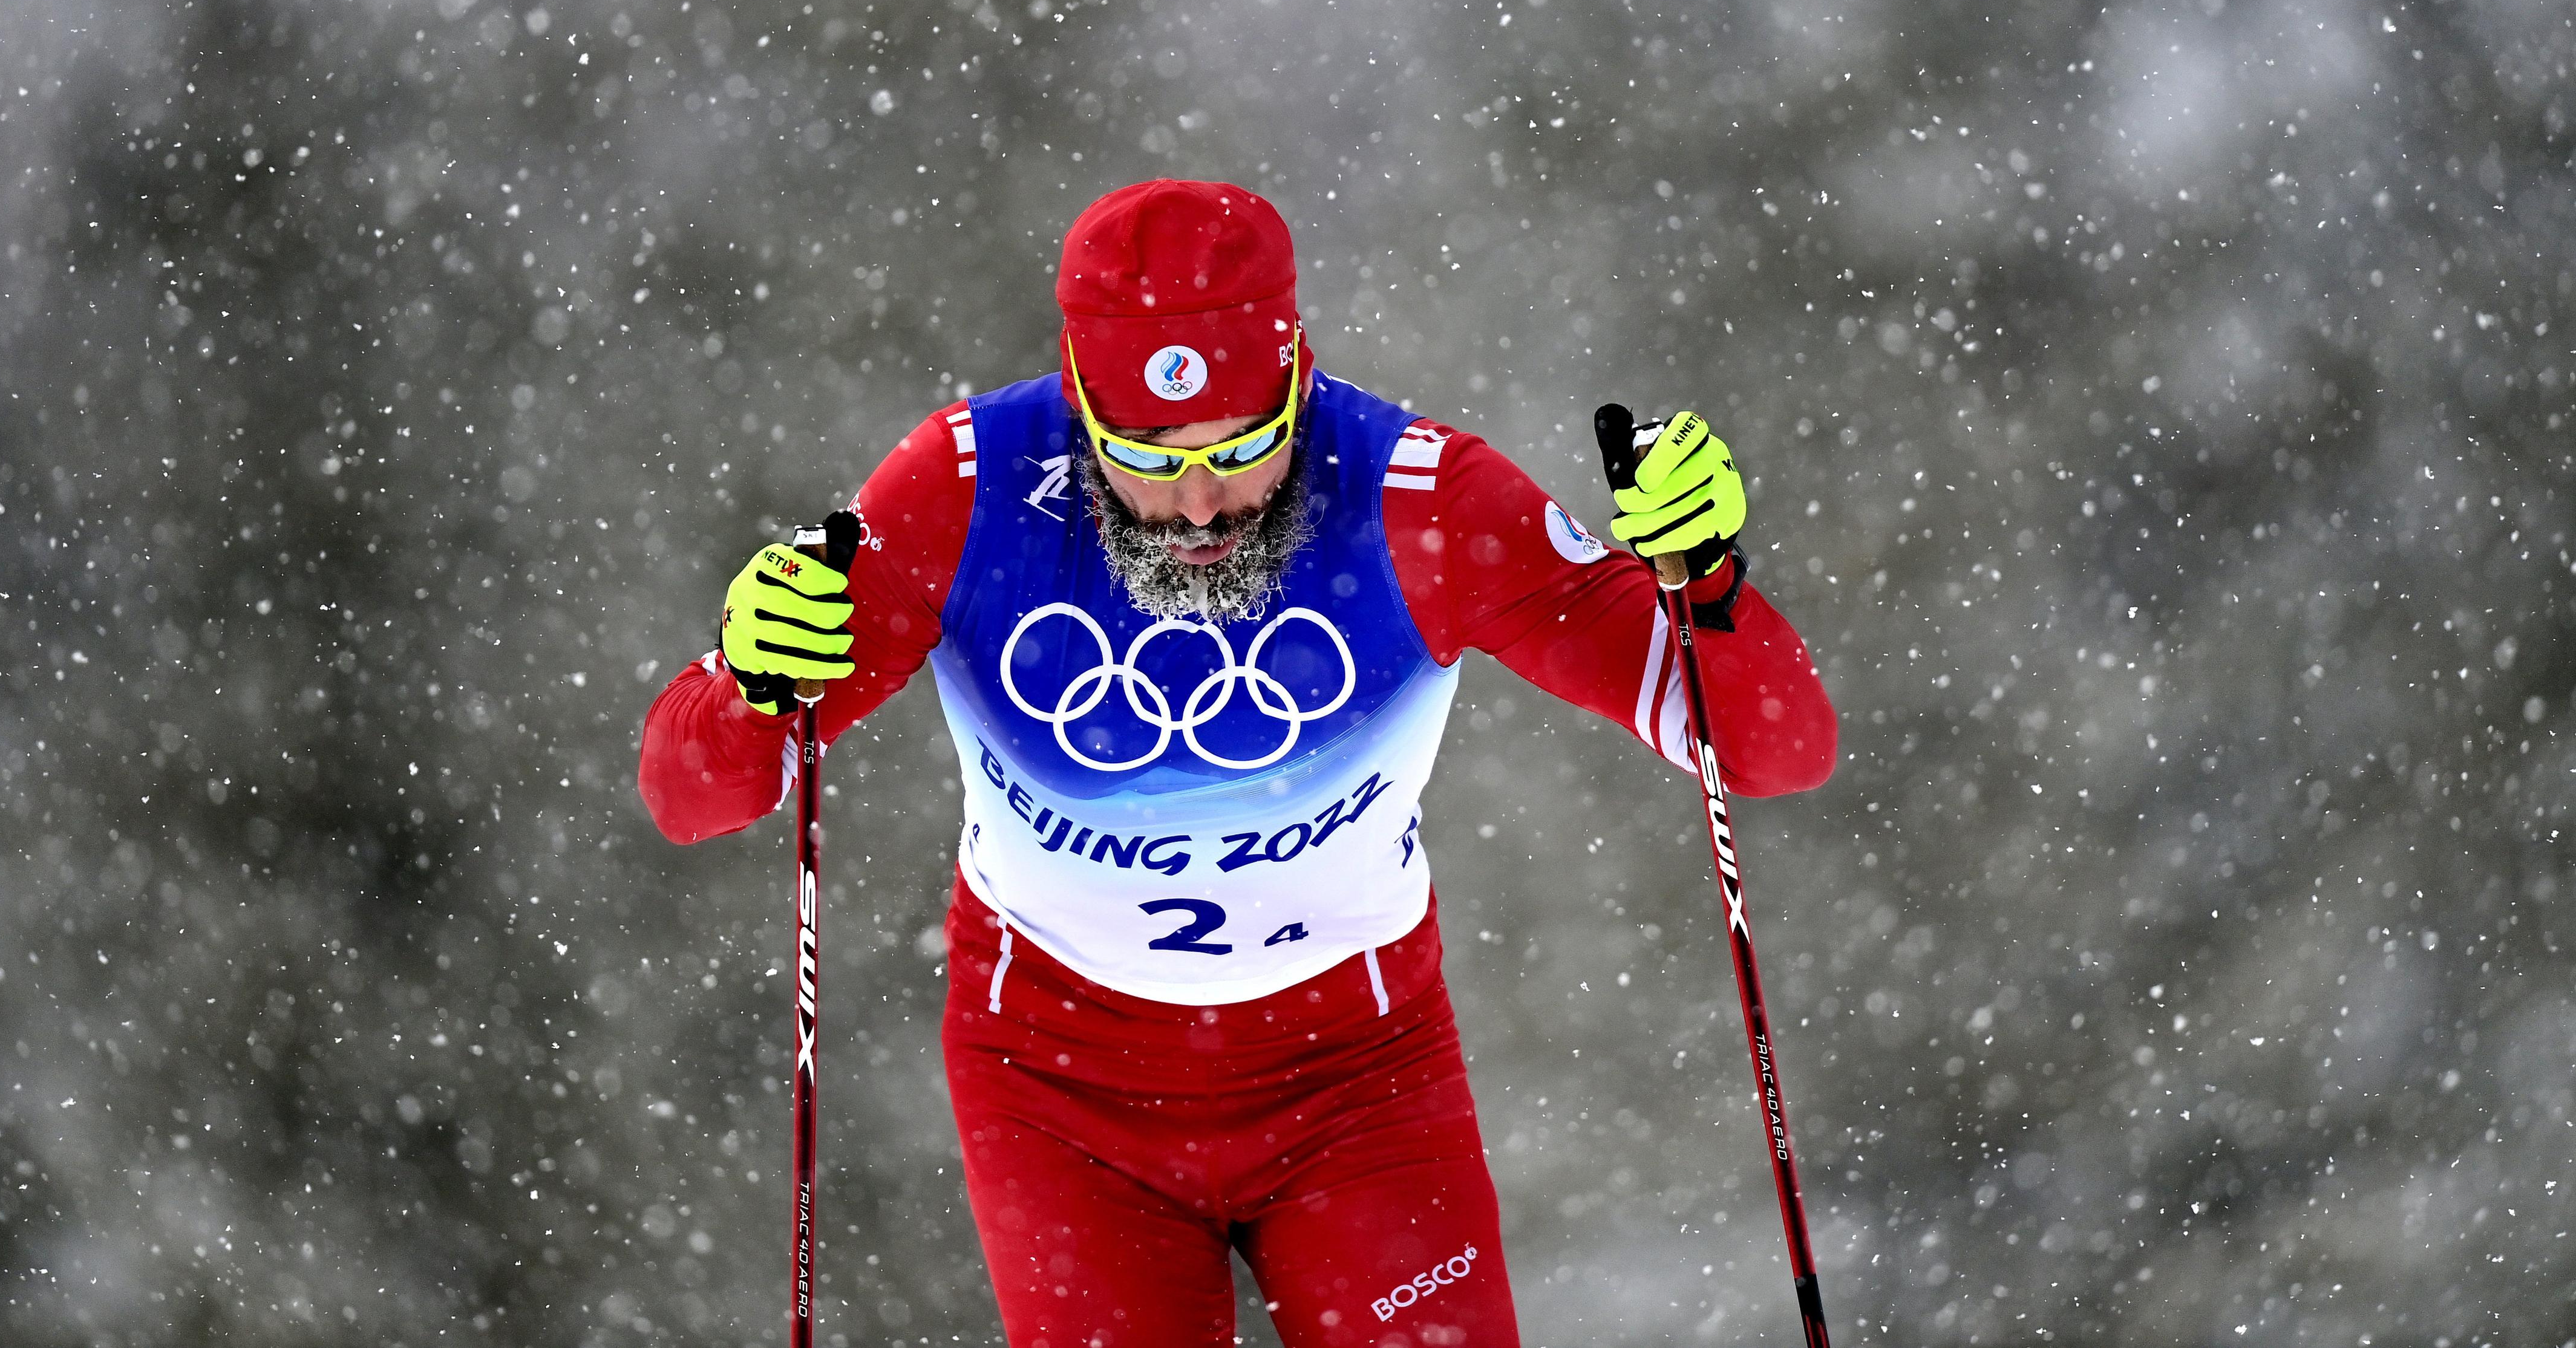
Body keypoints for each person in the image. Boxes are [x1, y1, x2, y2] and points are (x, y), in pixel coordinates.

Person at [639, 178, 1837, 1348]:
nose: (1201, 503)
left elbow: (1770, 750)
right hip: (1058, 1085)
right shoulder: (962, 490)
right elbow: (692, 793)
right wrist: (747, 683)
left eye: (1242, 448)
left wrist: (1708, 582)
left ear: (1299, 382)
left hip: (1359, 1076)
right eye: (1148, 458)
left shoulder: (1420, 496)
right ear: (1078, 405)